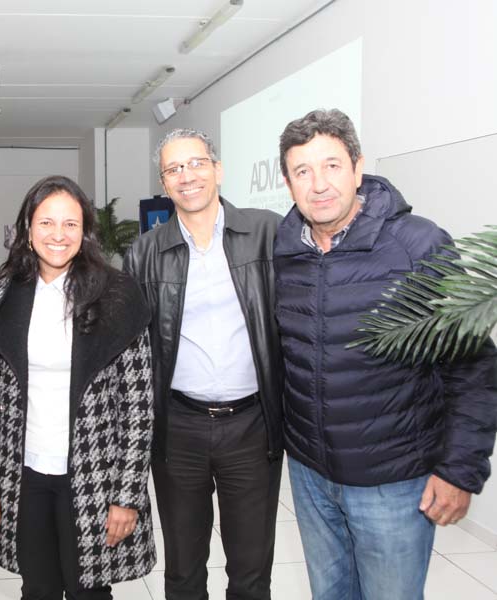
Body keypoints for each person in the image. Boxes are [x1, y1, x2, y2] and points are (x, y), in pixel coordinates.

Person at [275, 108, 497, 599]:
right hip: (311, 476)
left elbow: (472, 366)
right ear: (288, 184)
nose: (319, 184)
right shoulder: (284, 251)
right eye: (302, 171)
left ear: (358, 168)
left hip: (393, 480)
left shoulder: (417, 244)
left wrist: (459, 470)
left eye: (332, 165)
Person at [0, 175, 156, 599]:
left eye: (70, 224)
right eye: (46, 222)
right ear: (28, 229)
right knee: (38, 589)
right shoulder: (2, 295)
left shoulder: (117, 295)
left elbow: (138, 405)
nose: (58, 235)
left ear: (85, 231)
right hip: (23, 473)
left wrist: (127, 496)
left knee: (90, 591)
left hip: (94, 475)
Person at [123, 129, 284, 600]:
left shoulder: (267, 232)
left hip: (252, 427)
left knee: (251, 572)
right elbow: (130, 349)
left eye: (195, 163)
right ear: (163, 183)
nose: (186, 176)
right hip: (178, 430)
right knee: (183, 570)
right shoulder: (145, 252)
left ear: (218, 169)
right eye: (174, 169)